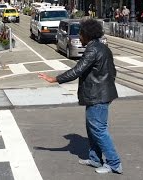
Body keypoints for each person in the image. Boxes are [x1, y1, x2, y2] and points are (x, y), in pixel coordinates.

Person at [38, 19, 122, 174]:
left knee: (99, 130)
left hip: (97, 96)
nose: (79, 37)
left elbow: (77, 70)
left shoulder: (92, 50)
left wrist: (55, 79)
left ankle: (114, 163)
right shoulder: (103, 48)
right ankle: (95, 159)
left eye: (81, 34)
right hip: (101, 94)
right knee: (92, 129)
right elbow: (113, 72)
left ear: (87, 35)